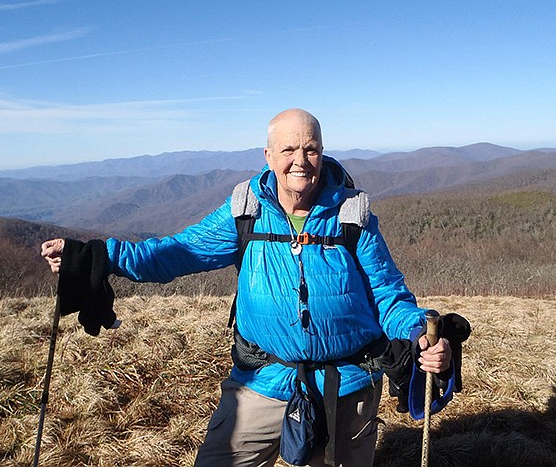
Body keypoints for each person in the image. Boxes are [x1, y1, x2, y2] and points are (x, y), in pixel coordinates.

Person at [42, 108, 451, 467]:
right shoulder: (246, 210)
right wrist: (97, 256)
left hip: (344, 387)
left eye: (310, 149)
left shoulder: (351, 216)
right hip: (261, 381)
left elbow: (388, 297)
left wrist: (420, 333)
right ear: (268, 155)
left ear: (322, 152)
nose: (300, 161)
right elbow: (177, 252)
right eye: (288, 150)